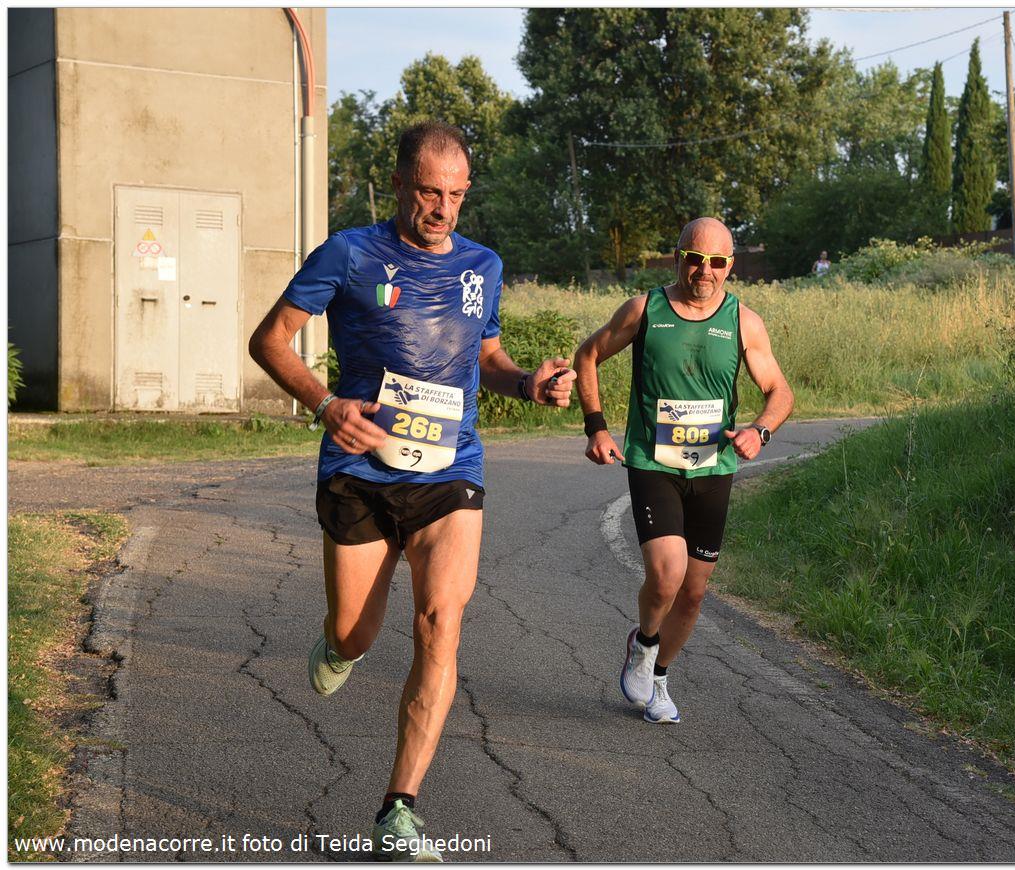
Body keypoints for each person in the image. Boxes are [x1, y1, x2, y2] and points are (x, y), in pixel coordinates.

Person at [249, 120, 575, 861]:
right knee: (355, 633)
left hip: (449, 472)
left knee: (439, 623)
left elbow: (487, 358)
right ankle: (340, 646)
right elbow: (269, 340)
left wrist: (528, 383)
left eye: (456, 195)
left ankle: (399, 810)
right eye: (429, 192)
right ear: (398, 184)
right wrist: (326, 405)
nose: (442, 209)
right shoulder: (348, 253)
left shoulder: (482, 265)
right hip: (360, 470)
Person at [573, 217, 794, 724]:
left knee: (692, 594)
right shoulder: (644, 310)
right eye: (695, 259)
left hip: (714, 467)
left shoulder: (744, 322)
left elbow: (779, 391)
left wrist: (759, 431)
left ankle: (659, 677)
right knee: (666, 573)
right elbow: (587, 355)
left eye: (716, 262)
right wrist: (596, 428)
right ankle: (645, 641)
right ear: (677, 259)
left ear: (730, 266)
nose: (704, 270)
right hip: (653, 462)